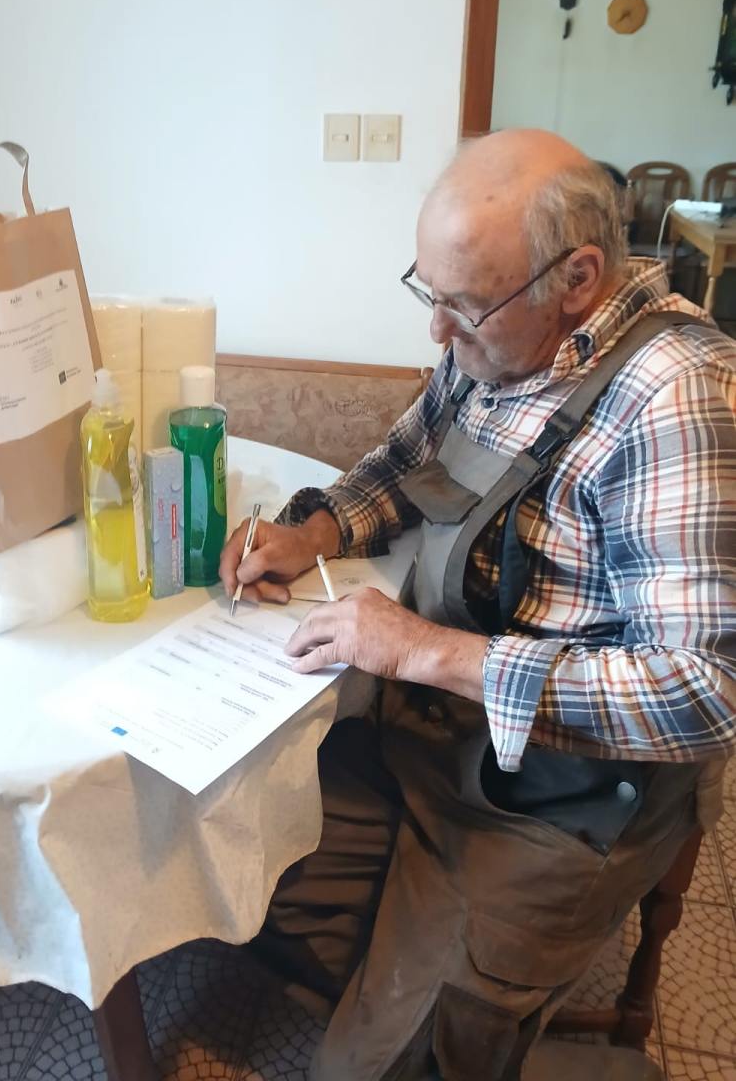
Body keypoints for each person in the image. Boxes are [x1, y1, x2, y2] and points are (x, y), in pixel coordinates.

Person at [219, 129, 736, 1081]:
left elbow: (707, 692)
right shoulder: (492, 341)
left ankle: (481, 1025)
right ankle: (431, 992)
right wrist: (314, 532)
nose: (438, 333)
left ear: (577, 278)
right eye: (430, 294)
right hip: (436, 737)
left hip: (555, 800)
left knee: (366, 1070)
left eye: (461, 305)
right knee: (238, 870)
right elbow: (406, 461)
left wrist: (427, 652)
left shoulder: (675, 397)